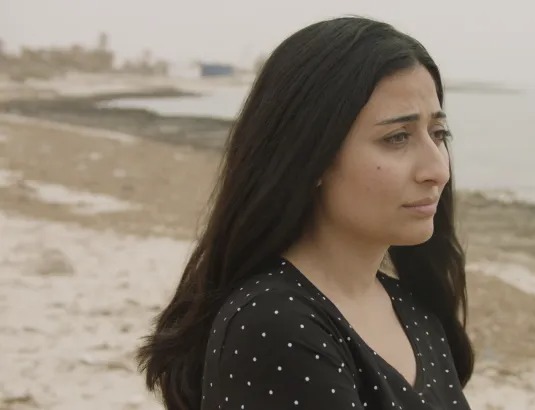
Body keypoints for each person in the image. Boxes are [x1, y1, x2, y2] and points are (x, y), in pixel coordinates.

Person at [137, 15, 474, 410]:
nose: (437, 170)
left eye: (438, 134)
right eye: (396, 138)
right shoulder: (275, 324)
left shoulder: (415, 310)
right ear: (312, 157)